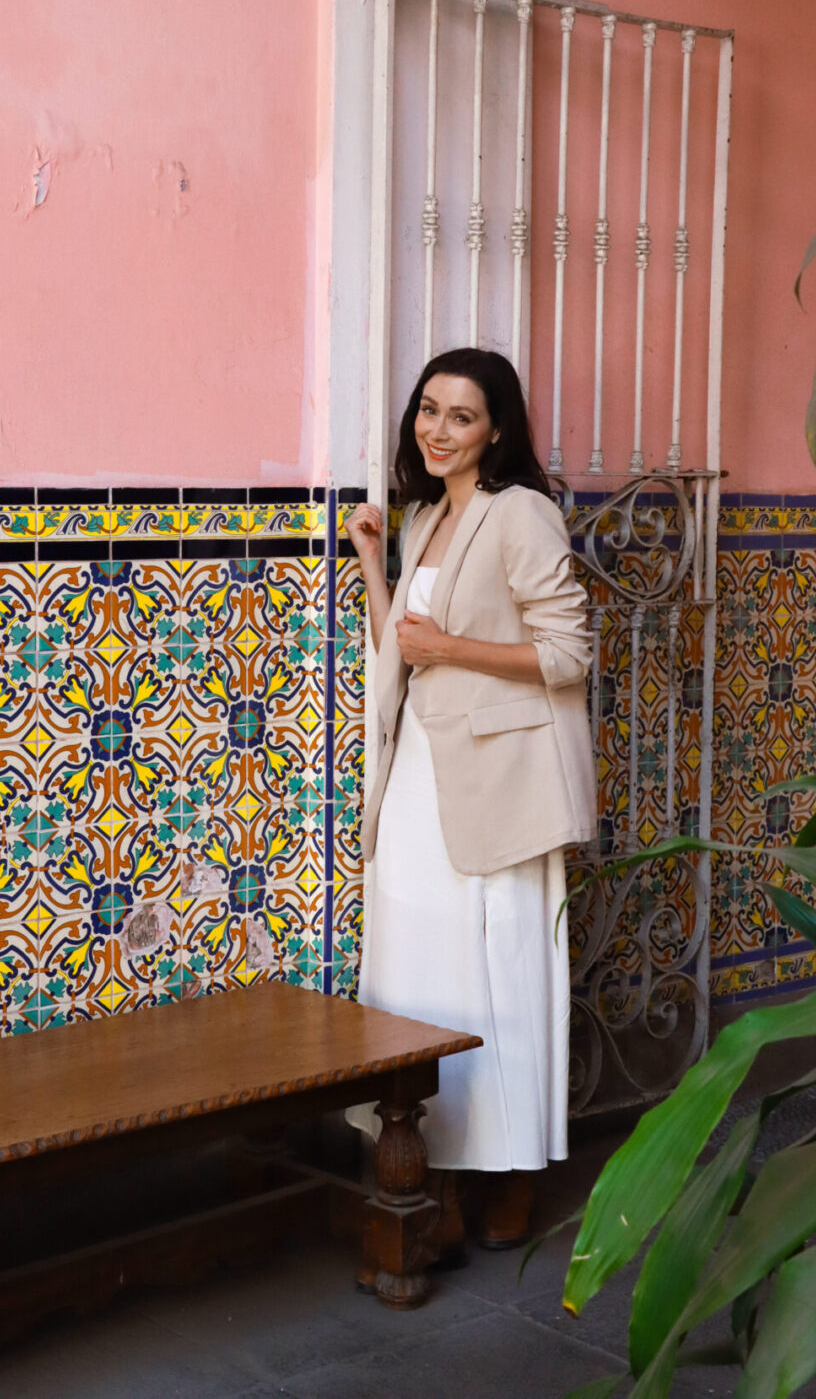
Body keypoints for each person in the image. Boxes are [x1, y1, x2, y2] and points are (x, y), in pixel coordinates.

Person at [344, 347, 596, 1250]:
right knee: (423, 969)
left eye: (460, 415)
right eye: (428, 409)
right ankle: (435, 1171)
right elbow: (407, 650)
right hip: (420, 771)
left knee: (506, 976)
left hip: (500, 780)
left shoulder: (520, 513)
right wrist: (376, 565)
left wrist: (451, 649)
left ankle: (517, 1175)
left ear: (497, 428)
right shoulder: (424, 517)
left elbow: (569, 655)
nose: (437, 429)